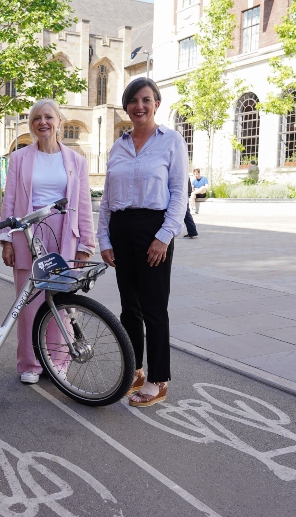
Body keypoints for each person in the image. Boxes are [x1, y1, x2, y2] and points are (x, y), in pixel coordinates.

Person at [97, 78, 187, 408]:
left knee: (153, 308)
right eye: (133, 100)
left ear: (156, 104)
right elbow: (107, 197)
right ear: (126, 106)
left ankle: (158, 379)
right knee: (129, 308)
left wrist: (164, 236)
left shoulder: (171, 141)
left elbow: (179, 193)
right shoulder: (119, 145)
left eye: (146, 100)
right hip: (122, 229)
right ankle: (134, 370)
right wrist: (104, 238)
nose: (140, 106)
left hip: (154, 229)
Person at [0, 99, 95, 384]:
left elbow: (84, 205)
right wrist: (6, 240)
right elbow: (10, 201)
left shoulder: (76, 161)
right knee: (28, 303)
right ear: (32, 124)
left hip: (64, 234)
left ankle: (58, 361)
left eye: (48, 117)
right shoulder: (19, 158)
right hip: (28, 235)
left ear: (59, 122)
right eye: (37, 118)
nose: (43, 122)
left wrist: (86, 244)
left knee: (61, 303)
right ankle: (30, 363)